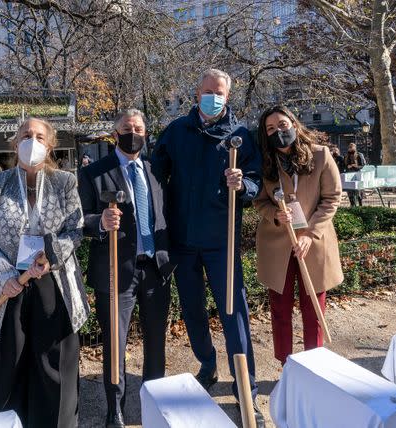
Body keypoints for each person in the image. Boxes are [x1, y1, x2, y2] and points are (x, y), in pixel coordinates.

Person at [152, 69, 264, 427]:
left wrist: (242, 184)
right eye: (207, 91)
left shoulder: (240, 136)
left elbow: (257, 182)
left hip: (221, 241)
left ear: (227, 96)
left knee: (234, 313)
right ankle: (207, 364)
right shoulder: (175, 131)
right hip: (184, 241)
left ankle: (247, 388)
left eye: (219, 92)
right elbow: (156, 176)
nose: (212, 96)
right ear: (196, 92)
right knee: (193, 310)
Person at [0, 118, 89, 428]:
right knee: (10, 362)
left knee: (52, 365)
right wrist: (4, 275)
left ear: (49, 145)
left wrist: (52, 254)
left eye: (39, 136)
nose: (31, 140)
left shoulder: (64, 182)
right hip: (9, 288)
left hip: (53, 283)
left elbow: (76, 230)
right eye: (25, 135)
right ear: (15, 141)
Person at [78, 109, 174, 428]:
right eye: (127, 128)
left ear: (146, 134)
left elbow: (164, 214)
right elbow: (78, 220)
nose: (134, 132)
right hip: (115, 269)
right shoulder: (95, 173)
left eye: (139, 128)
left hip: (155, 269)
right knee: (115, 344)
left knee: (156, 341)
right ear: (115, 134)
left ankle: (153, 399)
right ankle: (114, 408)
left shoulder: (155, 170)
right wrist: (100, 223)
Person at [253, 105, 344, 365]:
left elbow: (332, 198)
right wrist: (275, 214)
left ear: (293, 123)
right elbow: (259, 202)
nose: (278, 131)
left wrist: (310, 234)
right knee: (280, 309)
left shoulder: (320, 156)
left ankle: (314, 363)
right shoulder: (265, 162)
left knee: (313, 307)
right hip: (277, 244)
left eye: (282, 125)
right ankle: (286, 362)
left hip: (313, 243)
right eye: (270, 128)